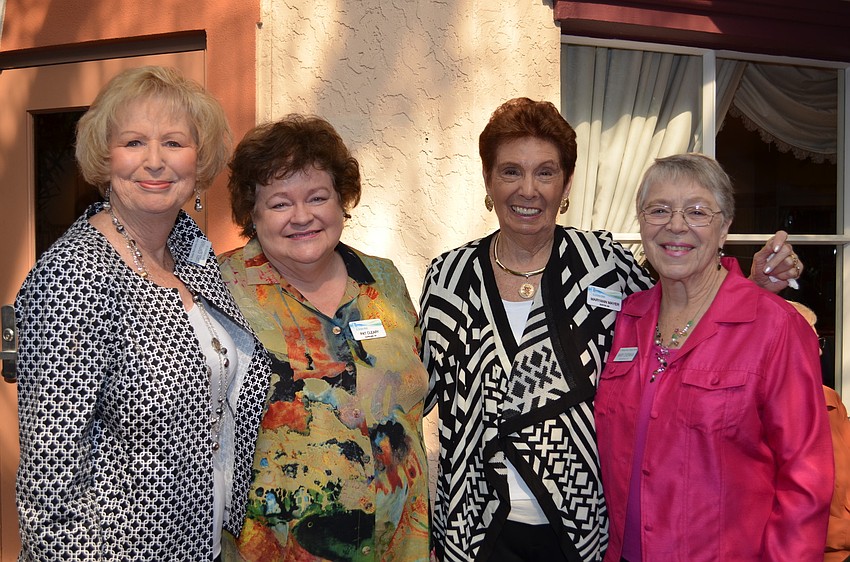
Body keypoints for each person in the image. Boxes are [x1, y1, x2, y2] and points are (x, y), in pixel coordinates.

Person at [419, 98, 805, 562]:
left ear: (566, 184)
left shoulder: (602, 265)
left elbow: (685, 305)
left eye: (545, 172)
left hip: (582, 528)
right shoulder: (449, 275)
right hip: (473, 522)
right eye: (510, 172)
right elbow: (417, 386)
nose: (529, 190)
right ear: (488, 181)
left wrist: (754, 285)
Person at [14, 66, 272, 561]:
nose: (155, 162)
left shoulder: (192, 252)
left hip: (205, 545)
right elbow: (49, 481)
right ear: (104, 156)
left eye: (174, 142)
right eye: (133, 142)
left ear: (199, 161)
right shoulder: (75, 276)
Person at [594, 153, 833, 561]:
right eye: (659, 210)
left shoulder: (774, 327)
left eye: (697, 211)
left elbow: (806, 481)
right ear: (641, 223)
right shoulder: (626, 319)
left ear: (724, 228)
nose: (676, 225)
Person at [218, 115, 431, 561]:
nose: (302, 217)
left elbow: (409, 404)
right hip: (277, 549)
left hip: (398, 545)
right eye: (279, 204)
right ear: (252, 215)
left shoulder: (383, 280)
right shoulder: (221, 290)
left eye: (318, 197)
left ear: (341, 202)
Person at [788, 301, 850, 562]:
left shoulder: (830, 399)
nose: (820, 352)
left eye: (818, 340)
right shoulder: (760, 409)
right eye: (809, 337)